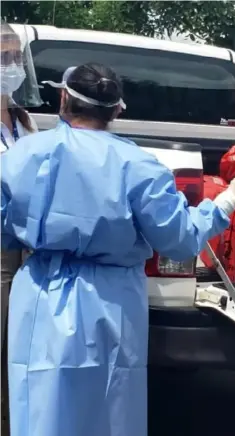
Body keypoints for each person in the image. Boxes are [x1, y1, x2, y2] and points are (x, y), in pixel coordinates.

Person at [1, 62, 235, 436]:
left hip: (41, 294)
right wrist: (228, 200)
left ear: (63, 98)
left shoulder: (22, 154)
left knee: (41, 405)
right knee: (109, 410)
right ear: (116, 109)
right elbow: (179, 238)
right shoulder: (139, 165)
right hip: (111, 299)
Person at [0, 21, 42, 434]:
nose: (12, 65)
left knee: (17, 354)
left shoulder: (24, 121)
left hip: (24, 251)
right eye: (3, 56)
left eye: (16, 56)